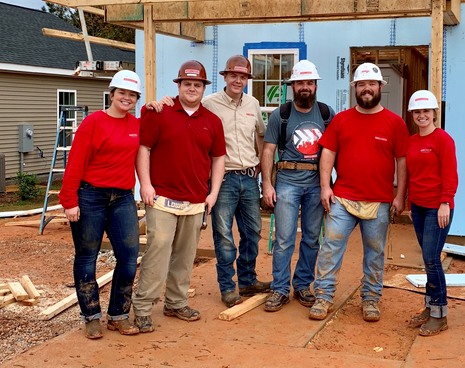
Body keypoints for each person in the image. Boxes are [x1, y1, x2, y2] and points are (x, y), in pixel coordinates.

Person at [152, 55, 271, 307]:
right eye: (233, 76)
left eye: (243, 77)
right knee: (224, 235)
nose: (238, 81)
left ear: (247, 80)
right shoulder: (210, 103)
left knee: (252, 233)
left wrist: (260, 164)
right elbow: (185, 107)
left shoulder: (253, 103)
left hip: (249, 178)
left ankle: (248, 280)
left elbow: (260, 134)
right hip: (224, 179)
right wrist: (162, 101)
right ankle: (228, 287)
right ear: (225, 77)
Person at [310, 63, 409, 322]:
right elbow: (328, 153)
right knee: (331, 247)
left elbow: (402, 160)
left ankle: (371, 299)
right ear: (355, 88)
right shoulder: (341, 120)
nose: (367, 89)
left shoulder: (395, 123)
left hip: (379, 200)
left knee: (375, 252)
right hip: (342, 197)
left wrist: (400, 196)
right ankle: (323, 295)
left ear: (379, 87)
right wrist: (325, 186)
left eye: (371, 84)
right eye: (362, 84)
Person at [132, 61, 226, 333]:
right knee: (159, 248)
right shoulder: (159, 112)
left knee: (185, 255)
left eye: (197, 85)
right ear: (179, 85)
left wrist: (213, 194)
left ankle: (175, 302)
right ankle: (143, 306)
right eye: (187, 83)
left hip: (196, 200)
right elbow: (144, 149)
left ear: (204, 88)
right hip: (161, 196)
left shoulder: (212, 121)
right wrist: (145, 185)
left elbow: (218, 158)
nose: (192, 88)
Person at [59, 69, 142, 339]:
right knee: (87, 257)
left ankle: (118, 314)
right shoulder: (94, 122)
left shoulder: (136, 124)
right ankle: (91, 316)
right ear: (112, 94)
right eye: (122, 93)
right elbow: (75, 162)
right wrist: (69, 200)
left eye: (132, 95)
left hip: (123, 197)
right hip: (90, 196)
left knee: (129, 258)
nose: (126, 98)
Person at [261, 60, 335, 312]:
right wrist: (267, 185)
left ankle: (303, 284)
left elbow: (334, 151)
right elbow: (268, 150)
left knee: (313, 239)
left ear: (315, 85)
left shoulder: (326, 114)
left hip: (317, 185)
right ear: (292, 86)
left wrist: (334, 185)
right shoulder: (280, 115)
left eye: (309, 83)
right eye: (300, 83)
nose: (305, 87)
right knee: (283, 239)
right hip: (287, 183)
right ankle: (280, 288)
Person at [405, 90, 458, 336]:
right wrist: (408, 202)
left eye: (426, 111)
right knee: (428, 259)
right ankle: (429, 307)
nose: (422, 115)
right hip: (418, 207)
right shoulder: (412, 141)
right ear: (412, 115)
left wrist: (446, 202)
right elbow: (411, 175)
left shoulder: (443, 140)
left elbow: (449, 173)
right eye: (417, 112)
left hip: (438, 208)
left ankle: (440, 314)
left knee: (431, 258)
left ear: (435, 113)